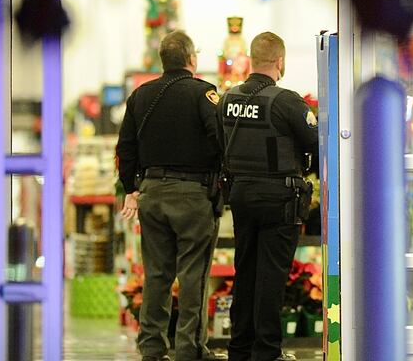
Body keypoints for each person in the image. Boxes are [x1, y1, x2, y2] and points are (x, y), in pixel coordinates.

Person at [116, 30, 227, 361]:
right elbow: (220, 139)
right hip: (193, 196)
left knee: (156, 274)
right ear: (191, 59)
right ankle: (189, 349)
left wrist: (131, 188)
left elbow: (125, 147)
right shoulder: (204, 93)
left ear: (163, 60)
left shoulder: (140, 96)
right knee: (193, 275)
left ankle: (152, 348)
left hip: (151, 194)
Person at [217, 32, 319, 361]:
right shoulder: (287, 101)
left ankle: (240, 348)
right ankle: (267, 352)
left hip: (241, 196)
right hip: (279, 199)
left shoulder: (228, 99)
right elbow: (316, 143)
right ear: (280, 62)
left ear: (251, 60)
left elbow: (220, 144)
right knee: (271, 277)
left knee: (245, 271)